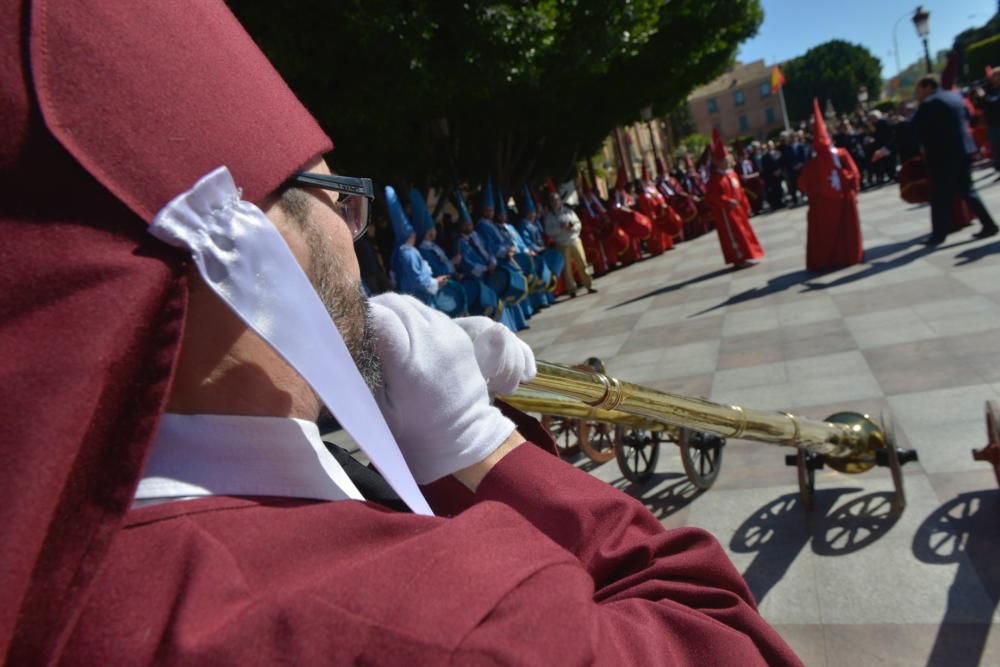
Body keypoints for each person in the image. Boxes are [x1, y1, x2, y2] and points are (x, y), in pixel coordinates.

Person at [1, 2, 804, 665]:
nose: (353, 227)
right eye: (331, 192)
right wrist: (480, 443)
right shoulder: (443, 619)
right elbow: (724, 640)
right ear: (248, 239)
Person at [911, 74, 999, 245]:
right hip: (964, 149)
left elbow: (913, 129)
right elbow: (968, 117)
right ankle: (989, 224)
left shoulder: (929, 103)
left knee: (939, 195)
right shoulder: (955, 96)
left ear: (928, 87)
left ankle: (938, 235)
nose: (918, 94)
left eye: (919, 90)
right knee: (968, 190)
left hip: (943, 155)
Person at [798, 99, 864, 271]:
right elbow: (854, 174)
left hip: (821, 205)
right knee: (843, 232)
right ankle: (846, 257)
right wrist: (846, 183)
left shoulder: (813, 163)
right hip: (842, 202)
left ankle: (824, 261)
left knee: (824, 234)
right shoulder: (840, 154)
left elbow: (802, 185)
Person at [705, 129, 766, 268]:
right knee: (734, 236)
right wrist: (727, 201)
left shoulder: (731, 174)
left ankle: (749, 254)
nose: (726, 162)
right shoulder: (715, 179)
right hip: (726, 213)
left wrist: (746, 206)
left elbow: (740, 192)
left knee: (744, 233)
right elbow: (712, 196)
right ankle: (738, 259)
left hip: (739, 211)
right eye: (722, 160)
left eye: (727, 160)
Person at [387, 186, 448, 305]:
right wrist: (436, 282)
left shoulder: (407, 251)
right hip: (419, 300)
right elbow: (418, 280)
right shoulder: (407, 253)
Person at [543, 189, 598, 297]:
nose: (555, 202)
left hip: (574, 239)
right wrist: (561, 228)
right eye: (553, 201)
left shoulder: (568, 211)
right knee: (567, 268)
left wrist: (572, 227)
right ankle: (571, 289)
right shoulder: (549, 216)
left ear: (560, 201)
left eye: (557, 200)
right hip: (561, 243)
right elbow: (548, 231)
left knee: (582, 263)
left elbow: (578, 224)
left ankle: (589, 285)